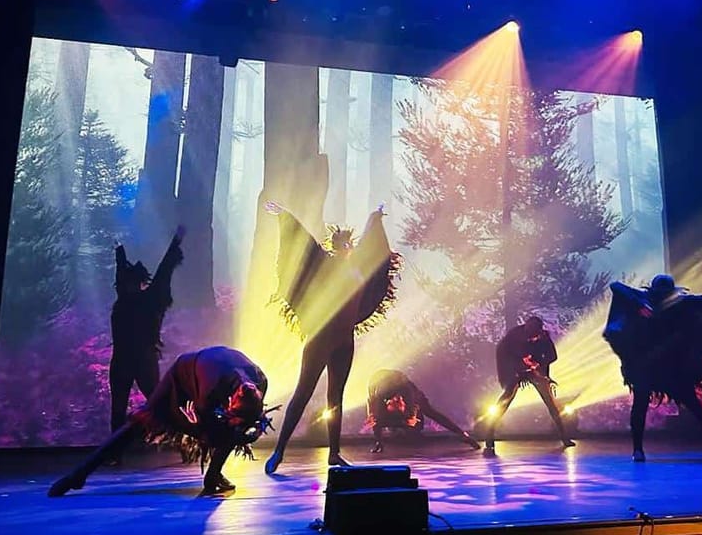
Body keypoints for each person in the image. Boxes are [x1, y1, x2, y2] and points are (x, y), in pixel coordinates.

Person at [262, 200, 402, 474]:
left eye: (349, 245)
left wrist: (375, 217)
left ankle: (334, 454)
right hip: (321, 337)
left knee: (335, 396)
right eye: (342, 245)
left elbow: (371, 245)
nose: (347, 248)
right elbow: (305, 246)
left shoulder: (359, 269)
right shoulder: (324, 267)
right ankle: (280, 450)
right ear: (335, 247)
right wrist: (285, 215)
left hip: (343, 340)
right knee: (303, 393)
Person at [48, 346, 275, 497]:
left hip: (209, 373)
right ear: (232, 399)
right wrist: (210, 428)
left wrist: (249, 429)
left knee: (231, 430)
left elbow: (250, 419)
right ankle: (77, 475)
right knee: (141, 420)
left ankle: (213, 476)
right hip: (184, 373)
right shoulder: (211, 389)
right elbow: (206, 427)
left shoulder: (261, 379)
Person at [604, 274, 702, 462]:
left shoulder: (683, 304)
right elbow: (616, 286)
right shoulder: (642, 300)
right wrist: (639, 305)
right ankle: (637, 449)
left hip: (672, 367)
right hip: (646, 366)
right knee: (640, 404)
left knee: (694, 403)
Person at [108, 226, 185, 437]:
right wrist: (119, 249)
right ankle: (115, 453)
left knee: (155, 401)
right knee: (119, 409)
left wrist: (176, 242)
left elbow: (164, 270)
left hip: (141, 360)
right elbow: (123, 270)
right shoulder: (127, 298)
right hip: (126, 360)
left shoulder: (149, 299)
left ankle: (177, 438)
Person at [479, 315, 576, 456]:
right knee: (506, 399)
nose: (530, 337)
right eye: (529, 334)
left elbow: (552, 356)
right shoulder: (514, 337)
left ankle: (564, 437)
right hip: (514, 368)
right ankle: (489, 437)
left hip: (534, 369)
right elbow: (506, 357)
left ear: (539, 332)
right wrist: (516, 373)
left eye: (534, 335)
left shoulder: (543, 338)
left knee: (551, 402)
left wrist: (541, 368)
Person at [365, 368, 482, 453]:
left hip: (401, 386)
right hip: (381, 385)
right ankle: (387, 436)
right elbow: (373, 417)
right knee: (376, 418)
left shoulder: (410, 394)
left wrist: (463, 434)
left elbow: (434, 416)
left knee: (429, 412)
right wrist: (379, 442)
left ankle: (463, 435)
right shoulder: (378, 399)